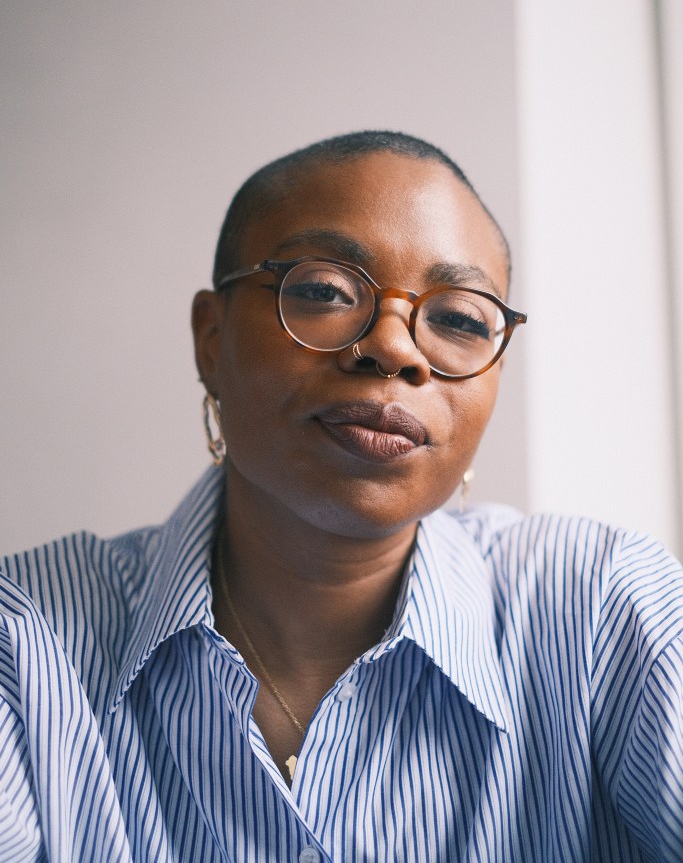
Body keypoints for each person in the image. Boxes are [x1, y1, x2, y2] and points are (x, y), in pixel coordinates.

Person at [1, 130, 682, 863]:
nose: (394, 348)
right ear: (211, 339)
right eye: (325, 290)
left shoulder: (603, 612)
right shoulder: (27, 645)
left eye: (458, 319)